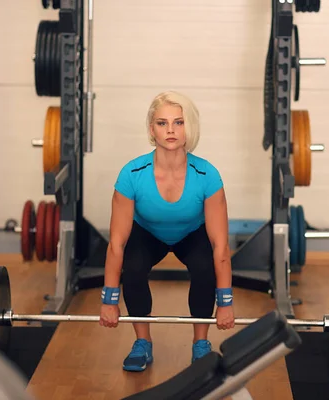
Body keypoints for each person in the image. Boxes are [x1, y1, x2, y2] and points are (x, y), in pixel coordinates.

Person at [98, 90, 236, 372]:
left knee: (204, 266)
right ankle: (143, 343)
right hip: (147, 233)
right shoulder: (132, 174)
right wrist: (109, 300)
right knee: (133, 267)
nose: (170, 130)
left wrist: (225, 303)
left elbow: (220, 246)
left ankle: (200, 344)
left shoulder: (208, 176)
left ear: (190, 127)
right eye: (162, 123)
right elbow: (116, 244)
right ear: (152, 129)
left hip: (191, 234)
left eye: (179, 122)